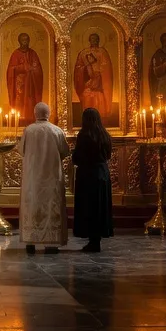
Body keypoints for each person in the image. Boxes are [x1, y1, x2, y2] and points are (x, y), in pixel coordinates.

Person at [18, 102, 69, 254]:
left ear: (35, 113)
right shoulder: (57, 131)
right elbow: (65, 151)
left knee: (32, 205)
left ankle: (30, 241)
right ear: (49, 113)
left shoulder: (29, 130)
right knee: (51, 206)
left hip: (32, 177)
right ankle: (51, 243)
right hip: (51, 176)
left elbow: (22, 150)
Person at [72, 108, 114, 252]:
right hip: (102, 173)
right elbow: (108, 155)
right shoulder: (104, 134)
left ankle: (92, 239)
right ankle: (97, 239)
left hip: (87, 174)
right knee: (100, 207)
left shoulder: (84, 135)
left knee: (89, 207)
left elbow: (76, 157)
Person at [6, 33, 44, 123]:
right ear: (19, 41)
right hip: (20, 83)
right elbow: (11, 69)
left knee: (30, 101)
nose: (25, 42)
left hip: (31, 83)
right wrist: (22, 67)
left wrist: (33, 69)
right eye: (23, 40)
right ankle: (19, 119)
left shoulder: (33, 53)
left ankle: (31, 117)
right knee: (20, 101)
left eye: (27, 40)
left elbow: (38, 68)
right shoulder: (15, 54)